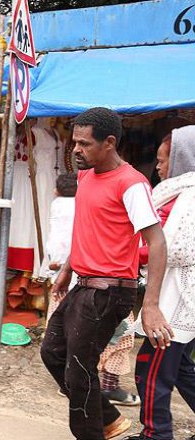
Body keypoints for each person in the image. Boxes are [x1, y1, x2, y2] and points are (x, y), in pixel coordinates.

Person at [40, 108, 168, 440]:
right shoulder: (85, 175)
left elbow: (157, 243)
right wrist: (68, 268)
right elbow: (87, 228)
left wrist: (150, 305)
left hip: (109, 291)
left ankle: (93, 432)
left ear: (109, 143)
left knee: (79, 371)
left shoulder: (132, 184)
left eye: (84, 144)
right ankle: (109, 420)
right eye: (74, 143)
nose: (75, 151)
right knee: (52, 352)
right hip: (84, 285)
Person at [39, 173, 142, 406]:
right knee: (121, 335)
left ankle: (74, 382)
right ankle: (105, 387)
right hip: (97, 283)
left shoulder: (59, 206)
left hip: (71, 279)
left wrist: (59, 266)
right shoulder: (100, 207)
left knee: (66, 337)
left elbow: (59, 243)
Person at [125, 126, 195, 440]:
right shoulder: (178, 193)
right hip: (179, 298)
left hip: (177, 300)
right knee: (179, 369)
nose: (159, 167)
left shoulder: (191, 196)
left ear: (182, 158)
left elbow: (179, 248)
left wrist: (138, 252)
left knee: (150, 370)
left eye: (163, 160)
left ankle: (156, 434)